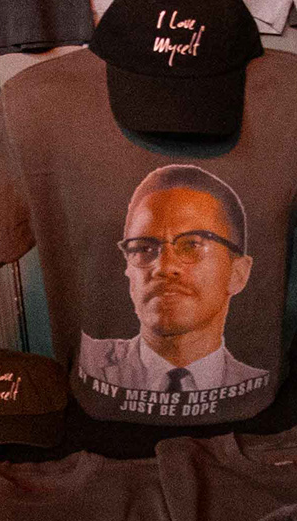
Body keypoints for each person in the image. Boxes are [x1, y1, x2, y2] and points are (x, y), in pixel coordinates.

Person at [76, 164, 267, 392]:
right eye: (144, 248)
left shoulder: (257, 389)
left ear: (238, 273)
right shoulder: (87, 363)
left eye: (192, 245)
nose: (164, 267)